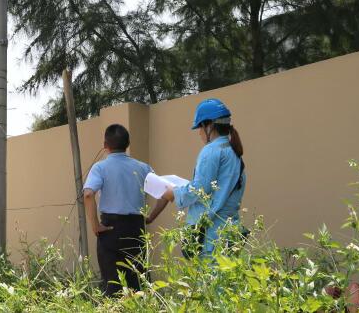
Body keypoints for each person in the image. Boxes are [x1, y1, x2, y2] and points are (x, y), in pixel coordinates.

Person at [83, 124, 168, 296]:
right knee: (138, 283)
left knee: (113, 284)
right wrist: (151, 217)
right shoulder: (143, 168)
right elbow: (166, 193)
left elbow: (88, 194)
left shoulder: (100, 167)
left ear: (105, 145)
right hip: (136, 228)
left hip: (110, 229)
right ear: (128, 144)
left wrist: (95, 225)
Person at [160, 98, 246, 258]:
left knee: (210, 274)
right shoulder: (233, 151)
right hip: (230, 232)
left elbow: (199, 189)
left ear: (209, 126)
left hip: (211, 235)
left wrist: (174, 194)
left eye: (200, 127)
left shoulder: (211, 150)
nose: (199, 132)